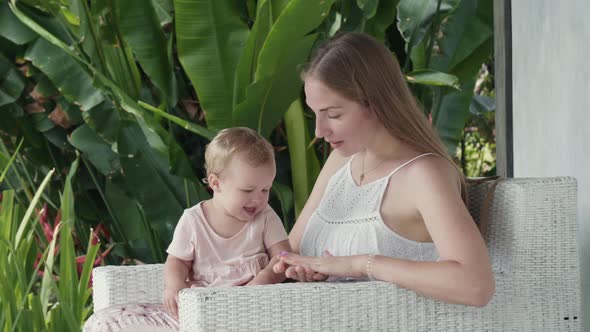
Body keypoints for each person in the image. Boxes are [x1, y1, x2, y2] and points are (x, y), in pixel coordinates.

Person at [272, 32, 495, 307]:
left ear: (375, 103)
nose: (319, 130)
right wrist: (304, 271)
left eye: (333, 115)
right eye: (314, 113)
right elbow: (292, 251)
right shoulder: (342, 161)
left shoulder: (423, 175)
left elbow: (475, 286)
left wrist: (360, 264)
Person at [84, 127, 291, 331]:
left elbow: (283, 256)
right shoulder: (194, 219)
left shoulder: (265, 217)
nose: (258, 199)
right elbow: (177, 261)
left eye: (266, 189)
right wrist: (174, 285)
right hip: (201, 309)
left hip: (248, 310)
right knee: (109, 321)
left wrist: (264, 279)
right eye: (247, 190)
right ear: (216, 183)